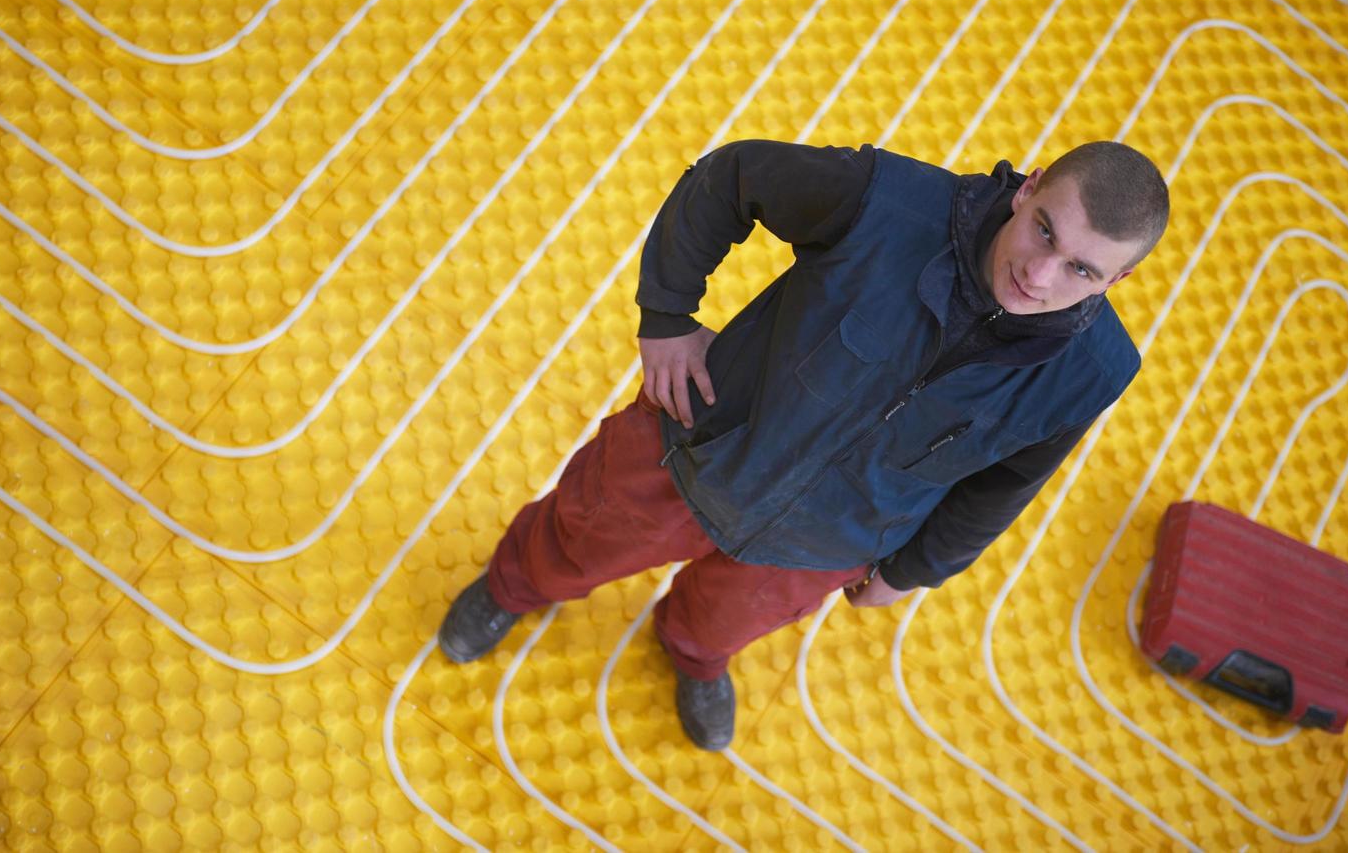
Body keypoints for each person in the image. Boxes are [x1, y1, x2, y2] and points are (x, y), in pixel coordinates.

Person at [438, 139, 1169, 750]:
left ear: (1120, 279)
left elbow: (1004, 482)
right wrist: (666, 316)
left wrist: (912, 570)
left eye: (1081, 269)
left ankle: (693, 655)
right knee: (579, 535)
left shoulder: (1096, 372)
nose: (1039, 275)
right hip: (696, 446)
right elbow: (731, 177)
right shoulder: (886, 201)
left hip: (826, 542)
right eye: (1044, 230)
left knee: (726, 621)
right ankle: (512, 586)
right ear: (1027, 188)